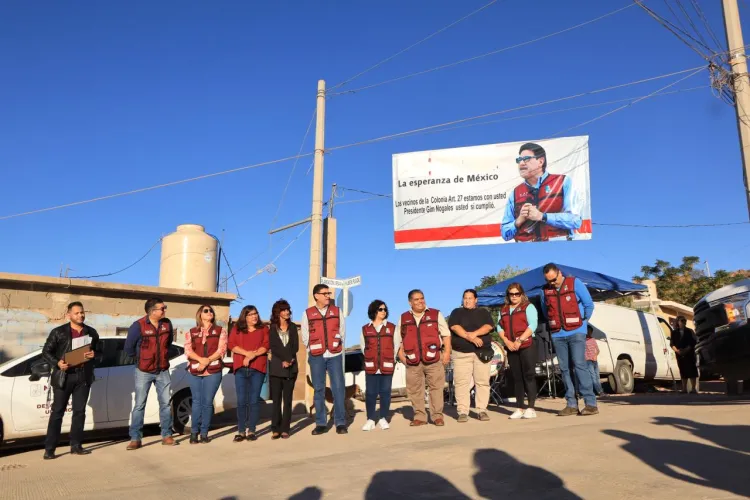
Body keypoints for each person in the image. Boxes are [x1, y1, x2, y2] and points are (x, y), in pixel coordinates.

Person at [41, 301, 99, 460]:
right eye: (77, 313)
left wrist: (94, 355)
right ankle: (50, 448)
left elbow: (100, 352)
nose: (81, 315)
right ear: (69, 315)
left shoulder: (91, 332)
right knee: (57, 412)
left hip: (83, 376)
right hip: (64, 376)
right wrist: (57, 363)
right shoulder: (58, 332)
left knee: (79, 412)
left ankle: (76, 446)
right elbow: (46, 352)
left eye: (82, 312)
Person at [540, 264, 598, 416]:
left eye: (554, 279)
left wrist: (583, 323)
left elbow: (589, 305)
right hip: (558, 334)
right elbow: (546, 312)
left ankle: (591, 404)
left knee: (580, 365)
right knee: (565, 369)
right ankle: (571, 404)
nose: (552, 283)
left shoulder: (575, 283)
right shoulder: (545, 290)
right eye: (549, 281)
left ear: (559, 273)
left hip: (576, 332)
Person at [501, 142, 582, 243]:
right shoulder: (515, 193)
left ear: (540, 161)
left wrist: (543, 216)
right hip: (526, 252)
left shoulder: (563, 182)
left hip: (559, 248)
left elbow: (575, 221)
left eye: (526, 159)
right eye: (519, 160)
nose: (521, 163)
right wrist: (519, 220)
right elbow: (505, 234)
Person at [124, 297, 176, 449]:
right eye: (162, 308)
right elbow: (128, 348)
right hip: (143, 371)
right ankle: (135, 438)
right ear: (152, 311)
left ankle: (166, 435)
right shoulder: (138, 326)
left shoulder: (167, 324)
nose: (165, 310)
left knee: (165, 404)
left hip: (163, 370)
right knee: (140, 404)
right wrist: (141, 360)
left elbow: (169, 342)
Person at [396, 289, 451, 427]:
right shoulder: (403, 318)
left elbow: (446, 335)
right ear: (410, 302)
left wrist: (447, 353)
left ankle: (437, 416)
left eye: (422, 298)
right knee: (414, 390)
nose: (420, 301)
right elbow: (397, 340)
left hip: (433, 359)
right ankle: (420, 416)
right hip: (413, 361)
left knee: (436, 388)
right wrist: (402, 357)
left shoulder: (435, 314)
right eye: (416, 299)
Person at [302, 284, 347, 435]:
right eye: (325, 293)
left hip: (334, 355)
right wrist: (312, 350)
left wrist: (337, 347)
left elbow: (342, 332)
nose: (328, 295)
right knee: (319, 389)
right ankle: (321, 423)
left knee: (338, 389)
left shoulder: (336, 311)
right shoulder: (307, 314)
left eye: (329, 293)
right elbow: (305, 336)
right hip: (316, 357)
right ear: (316, 296)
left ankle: (340, 422)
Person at [448, 289, 494, 423]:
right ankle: (462, 411)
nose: (467, 300)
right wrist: (471, 338)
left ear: (476, 300)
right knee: (462, 383)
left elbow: (488, 326)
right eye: (465, 298)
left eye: (470, 298)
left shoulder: (483, 312)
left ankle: (481, 410)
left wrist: (475, 334)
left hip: (482, 353)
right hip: (461, 353)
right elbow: (455, 327)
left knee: (482, 382)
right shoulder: (456, 312)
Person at [184, 304, 227, 444]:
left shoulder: (221, 331)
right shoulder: (191, 332)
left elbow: (221, 350)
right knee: (196, 402)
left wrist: (207, 361)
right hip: (195, 370)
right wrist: (200, 360)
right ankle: (193, 433)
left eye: (211, 311)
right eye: (206, 311)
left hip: (213, 371)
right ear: (200, 315)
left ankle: (204, 433)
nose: (209, 313)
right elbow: (188, 350)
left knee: (207, 403)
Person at [228, 305, 270, 442]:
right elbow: (231, 344)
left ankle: (251, 430)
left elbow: (266, 346)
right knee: (241, 401)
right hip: (240, 369)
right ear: (244, 316)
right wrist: (247, 354)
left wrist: (252, 356)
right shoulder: (237, 329)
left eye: (256, 313)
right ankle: (241, 431)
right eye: (251, 314)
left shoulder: (263, 329)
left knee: (253, 401)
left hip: (258, 369)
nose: (254, 316)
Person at [497, 283, 538, 419]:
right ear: (508, 295)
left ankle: (531, 407)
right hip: (511, 347)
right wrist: (507, 342)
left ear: (521, 294)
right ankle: (519, 408)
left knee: (529, 375)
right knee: (517, 378)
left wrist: (519, 340)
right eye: (511, 294)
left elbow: (533, 325)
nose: (514, 296)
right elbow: (499, 327)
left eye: (517, 294)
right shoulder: (503, 309)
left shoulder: (528, 307)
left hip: (526, 345)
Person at [360, 300, 398, 431]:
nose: (384, 311)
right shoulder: (365, 328)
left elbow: (396, 345)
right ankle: (370, 419)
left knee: (385, 392)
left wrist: (391, 360)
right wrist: (370, 358)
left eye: (385, 309)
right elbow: (363, 347)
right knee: (370, 393)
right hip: (371, 366)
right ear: (374, 311)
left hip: (387, 365)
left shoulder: (392, 327)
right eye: (381, 309)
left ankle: (383, 418)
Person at [268, 299, 299, 440]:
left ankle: (285, 428)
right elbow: (274, 347)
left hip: (291, 368)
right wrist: (283, 360)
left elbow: (295, 346)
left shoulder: (293, 327)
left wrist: (290, 360)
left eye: (288, 310)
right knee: (276, 400)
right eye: (284, 309)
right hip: (276, 367)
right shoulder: (272, 328)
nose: (287, 312)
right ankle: (275, 428)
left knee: (287, 400)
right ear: (278, 312)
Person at [671, 315, 698, 394]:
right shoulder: (674, 332)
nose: (683, 322)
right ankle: (684, 389)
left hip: (689, 354)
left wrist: (687, 349)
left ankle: (693, 389)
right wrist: (677, 351)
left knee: (692, 370)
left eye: (684, 320)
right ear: (678, 322)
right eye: (681, 320)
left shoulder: (690, 331)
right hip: (679, 355)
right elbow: (672, 344)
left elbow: (693, 341)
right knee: (683, 371)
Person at [585, 325, 603, 396]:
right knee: (593, 376)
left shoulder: (593, 340)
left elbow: (598, 350)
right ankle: (599, 392)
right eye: (588, 331)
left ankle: (600, 390)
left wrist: (595, 355)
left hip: (595, 361)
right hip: (588, 361)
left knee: (597, 376)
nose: (589, 333)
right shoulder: (583, 340)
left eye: (590, 331)